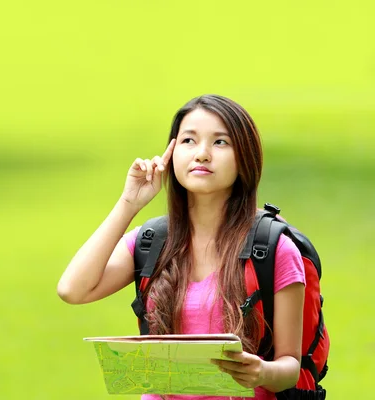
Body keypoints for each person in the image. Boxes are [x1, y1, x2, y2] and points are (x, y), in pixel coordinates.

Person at [57, 94, 306, 400]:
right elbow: (72, 289)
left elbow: (290, 366)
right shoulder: (152, 242)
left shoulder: (272, 249)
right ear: (171, 153)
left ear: (245, 159)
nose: (202, 154)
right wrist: (128, 203)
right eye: (189, 140)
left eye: (220, 142)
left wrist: (262, 372)